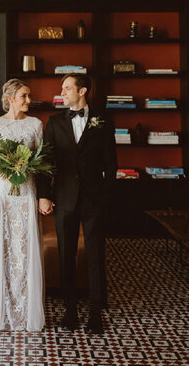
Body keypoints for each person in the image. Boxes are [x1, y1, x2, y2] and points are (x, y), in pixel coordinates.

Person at [37, 74, 117, 335]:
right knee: (66, 255)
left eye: (67, 88)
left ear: (82, 91)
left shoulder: (103, 121)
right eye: (62, 88)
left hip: (94, 200)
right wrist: (44, 194)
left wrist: (105, 196)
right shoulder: (55, 122)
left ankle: (95, 312)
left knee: (95, 255)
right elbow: (46, 162)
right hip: (65, 199)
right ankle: (70, 310)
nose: (62, 92)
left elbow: (111, 163)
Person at [0, 79, 45, 332]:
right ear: (10, 98)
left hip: (26, 193)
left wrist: (25, 168)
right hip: (3, 195)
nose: (29, 100)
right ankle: (1, 310)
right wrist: (7, 172)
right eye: (24, 96)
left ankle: (26, 310)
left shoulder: (36, 124)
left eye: (29, 96)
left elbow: (41, 158)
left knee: (25, 250)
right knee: (3, 248)